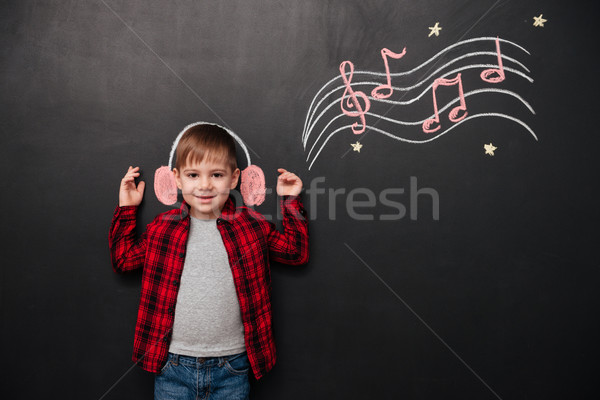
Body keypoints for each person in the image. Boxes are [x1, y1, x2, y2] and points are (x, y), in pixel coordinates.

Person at [109, 123, 309, 400]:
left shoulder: (250, 227)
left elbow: (295, 252)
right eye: (193, 175)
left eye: (216, 174)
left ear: (234, 178)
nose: (204, 185)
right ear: (178, 179)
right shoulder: (162, 229)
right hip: (172, 365)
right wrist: (127, 208)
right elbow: (124, 260)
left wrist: (290, 200)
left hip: (233, 367)